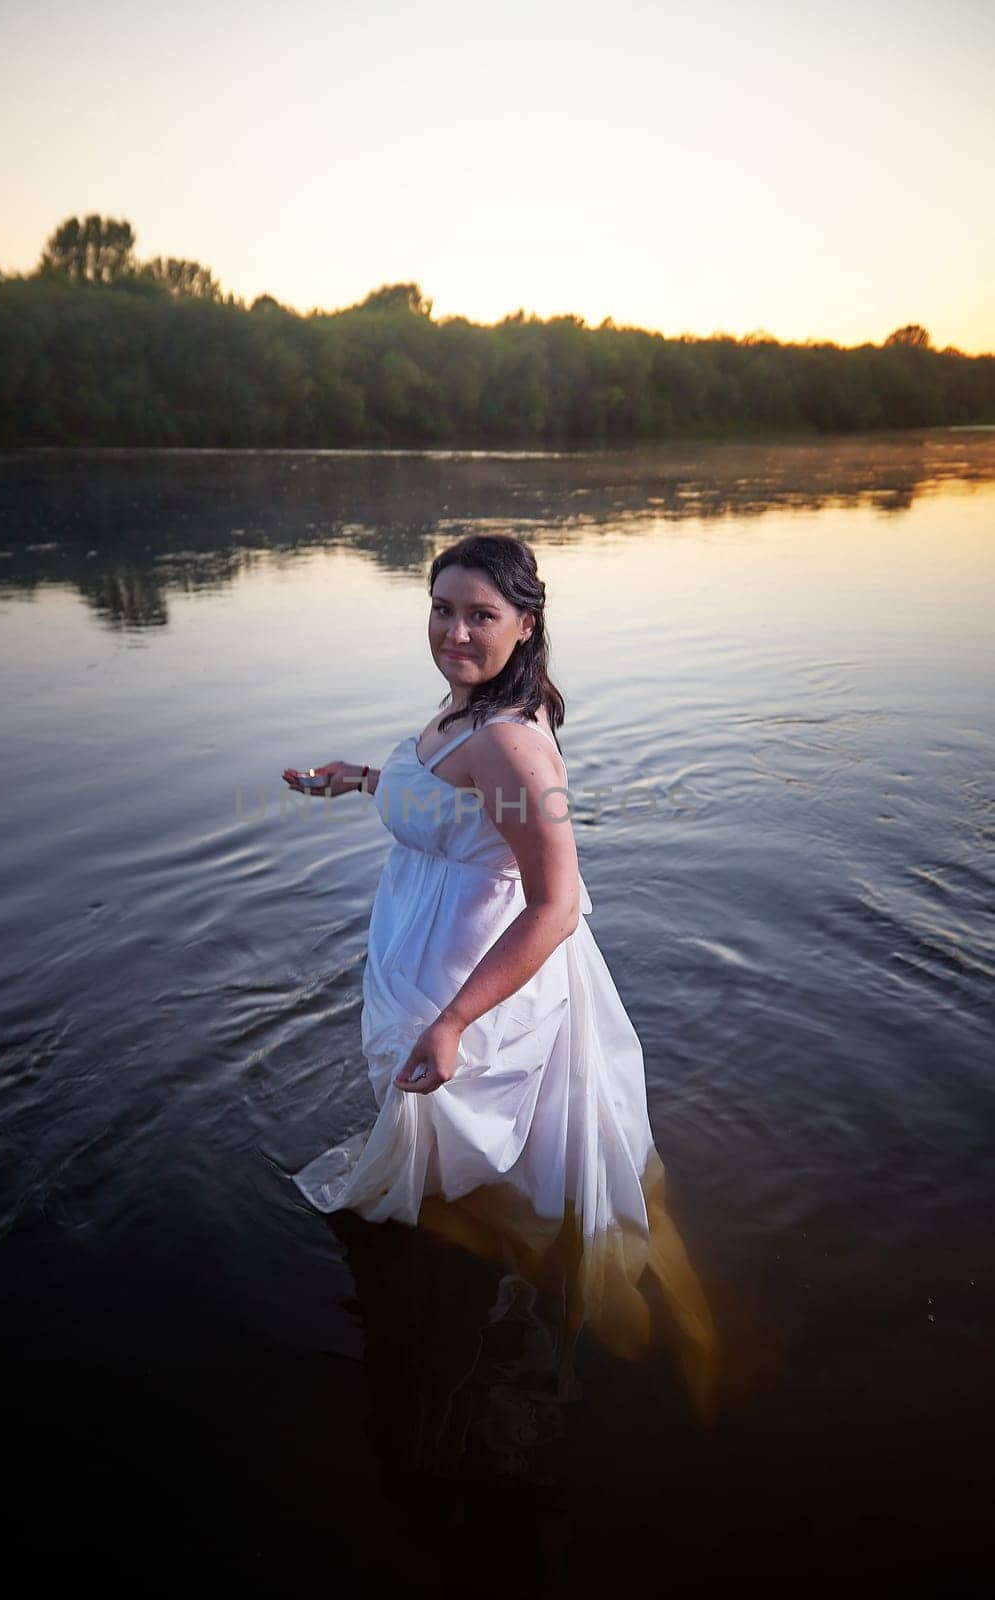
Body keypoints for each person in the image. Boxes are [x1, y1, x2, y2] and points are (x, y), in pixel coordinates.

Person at [282, 534, 719, 1422]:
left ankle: (633, 1328)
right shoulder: (466, 711)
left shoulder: (513, 741)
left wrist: (449, 1023)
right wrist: (360, 779)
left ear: (525, 624)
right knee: (492, 1159)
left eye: (481, 615)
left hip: (473, 983)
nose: (454, 631)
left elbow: (556, 904)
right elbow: (453, 805)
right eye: (442, 609)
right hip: (432, 956)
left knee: (511, 1166)